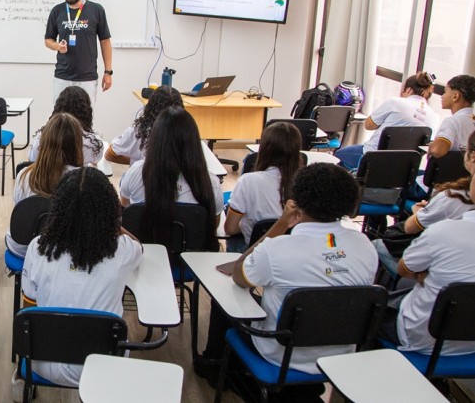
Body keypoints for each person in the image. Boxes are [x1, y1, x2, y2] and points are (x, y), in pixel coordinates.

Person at [202, 164, 376, 397]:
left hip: (281, 351)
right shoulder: (364, 245)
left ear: (296, 200)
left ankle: (216, 370)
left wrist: (281, 224)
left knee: (224, 301)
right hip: (340, 352)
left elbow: (239, 275)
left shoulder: (278, 249)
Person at [18, 167, 142, 390]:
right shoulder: (122, 250)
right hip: (105, 366)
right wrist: (112, 225)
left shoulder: (38, 247)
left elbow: (29, 308)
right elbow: (139, 247)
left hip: (43, 361)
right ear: (110, 212)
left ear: (58, 209)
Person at [381, 172, 475, 356]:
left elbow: (404, 268)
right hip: (470, 345)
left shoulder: (446, 230)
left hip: (421, 337)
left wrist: (427, 275)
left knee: (368, 316)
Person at [373, 130, 475, 277]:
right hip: (457, 281)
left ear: (472, 157)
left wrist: (420, 213)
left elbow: (406, 265)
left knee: (376, 246)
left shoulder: (451, 201)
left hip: (434, 277)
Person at [119, 107, 223, 251]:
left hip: (146, 256)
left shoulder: (136, 172)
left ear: (156, 140)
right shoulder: (210, 182)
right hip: (191, 262)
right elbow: (212, 224)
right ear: (194, 143)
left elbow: (126, 209)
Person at [7, 113, 83, 257]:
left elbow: (21, 211)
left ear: (44, 143)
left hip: (24, 248)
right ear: (77, 145)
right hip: (65, 252)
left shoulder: (24, 175)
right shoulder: (84, 179)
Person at [223, 122, 303, 252]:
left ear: (264, 148)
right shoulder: (305, 182)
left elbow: (230, 229)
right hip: (291, 253)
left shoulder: (248, 181)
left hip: (254, 252)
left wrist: (247, 224)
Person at [335, 71, 440, 170]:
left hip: (371, 157)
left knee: (338, 155)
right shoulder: (434, 118)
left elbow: (368, 126)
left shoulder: (394, 102)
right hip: (403, 167)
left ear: (408, 90)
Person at [44, 0, 113, 103]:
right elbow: (48, 40)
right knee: (61, 119)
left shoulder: (96, 10)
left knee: (85, 119)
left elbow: (105, 42)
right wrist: (57, 46)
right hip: (62, 76)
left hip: (87, 77)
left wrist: (108, 72)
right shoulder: (57, 11)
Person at [104, 85, 183, 165]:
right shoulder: (186, 133)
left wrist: (136, 163)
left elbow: (109, 155)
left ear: (150, 106)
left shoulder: (138, 132)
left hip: (143, 175)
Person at [28, 86, 102, 166]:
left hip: (48, 178)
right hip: (78, 178)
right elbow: (96, 160)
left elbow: (32, 159)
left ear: (58, 107)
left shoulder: (42, 137)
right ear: (87, 110)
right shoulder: (93, 141)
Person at [428, 74, 475, 159]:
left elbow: (437, 150)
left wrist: (432, 146)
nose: (442, 96)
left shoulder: (452, 122)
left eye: (445, 91)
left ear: (455, 96)